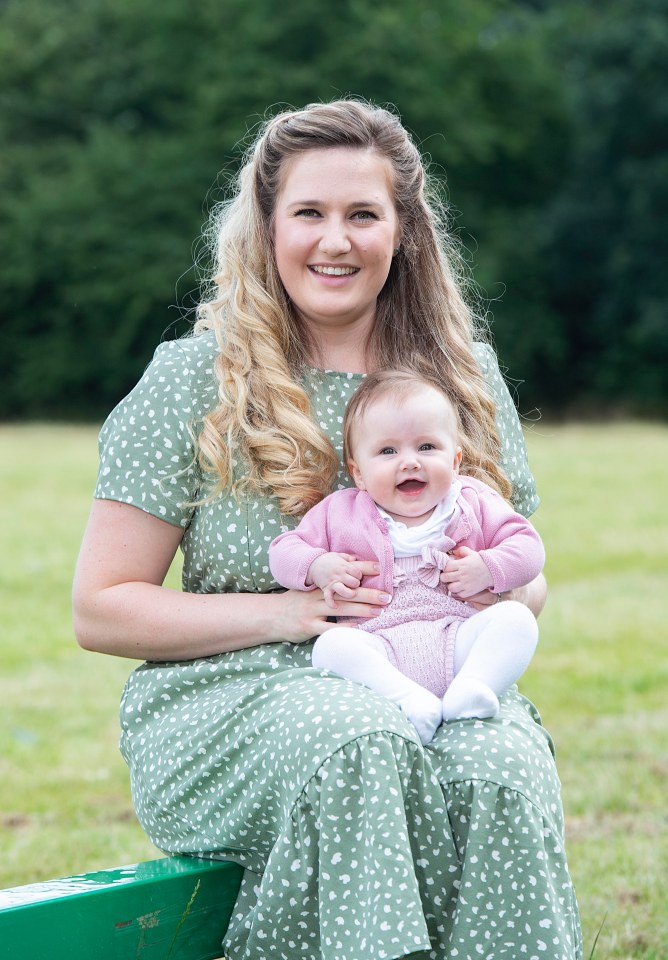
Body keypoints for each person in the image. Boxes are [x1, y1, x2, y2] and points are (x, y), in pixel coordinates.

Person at [73, 99, 582, 959]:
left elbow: (526, 573)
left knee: (501, 767)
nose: (334, 240)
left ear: (404, 232)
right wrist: (290, 612)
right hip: (233, 696)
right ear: (267, 228)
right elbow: (101, 610)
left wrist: (489, 580)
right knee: (356, 741)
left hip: (431, 672)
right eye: (308, 212)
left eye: (362, 215)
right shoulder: (195, 379)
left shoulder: (459, 378)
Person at [268, 369, 545, 745]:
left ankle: (472, 688)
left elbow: (529, 548)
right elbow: (283, 553)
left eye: (427, 447)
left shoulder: (472, 502)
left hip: (459, 638)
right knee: (332, 648)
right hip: (379, 646)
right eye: (387, 451)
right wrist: (318, 566)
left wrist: (488, 569)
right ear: (359, 474)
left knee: (517, 620)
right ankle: (409, 701)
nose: (410, 462)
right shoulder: (341, 512)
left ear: (456, 460)